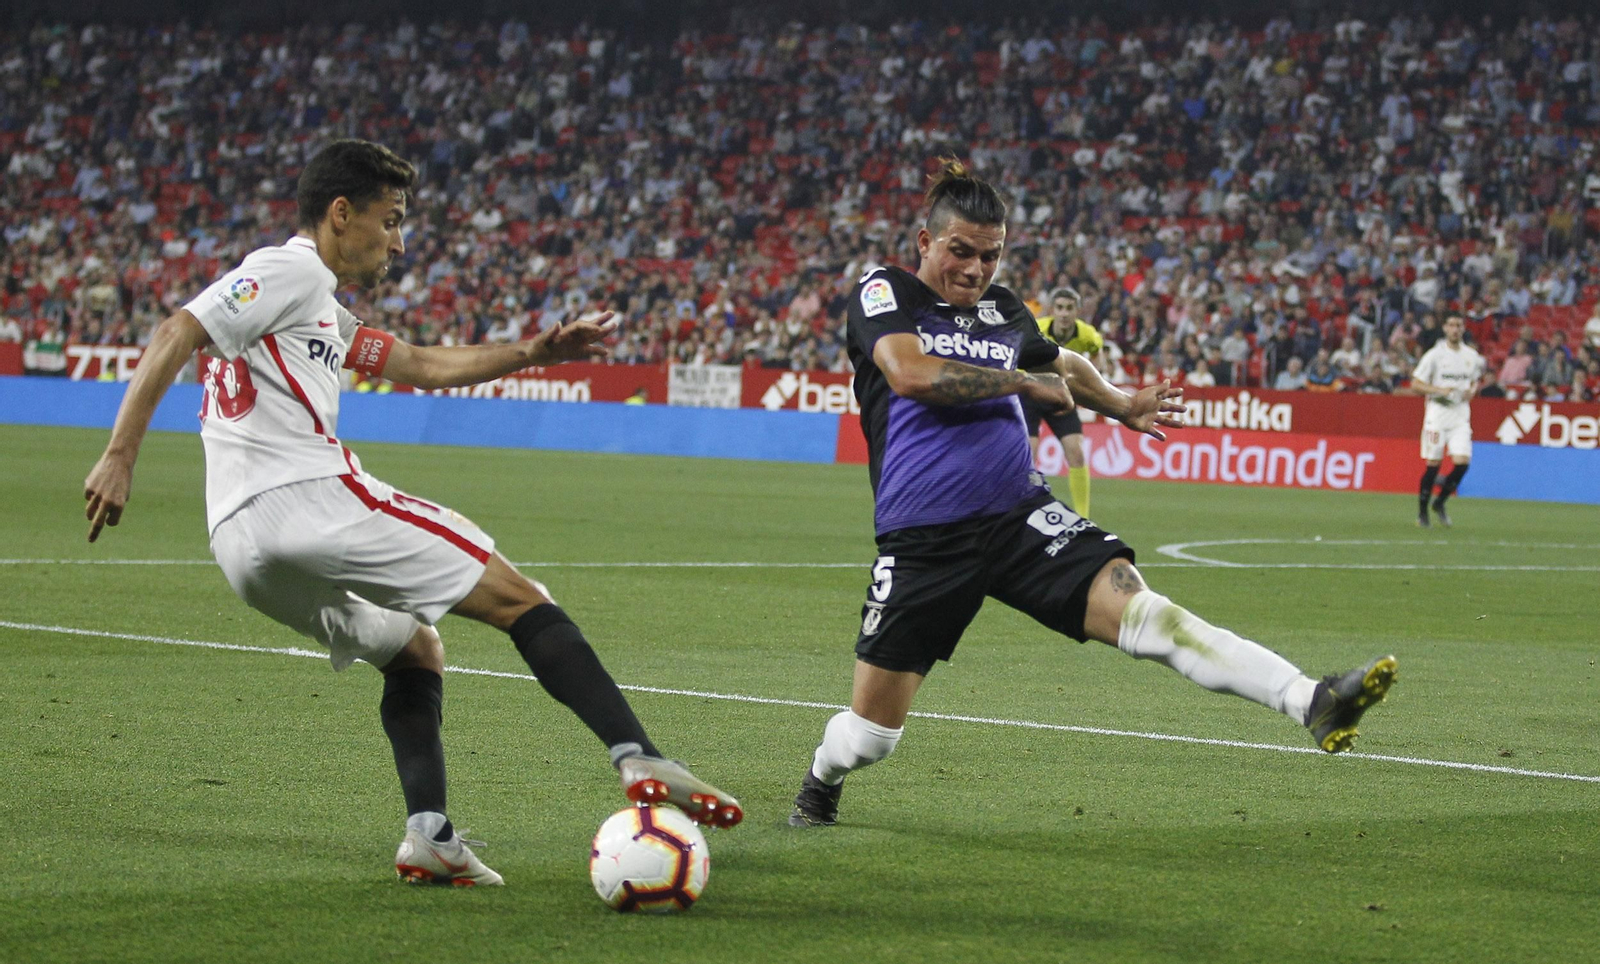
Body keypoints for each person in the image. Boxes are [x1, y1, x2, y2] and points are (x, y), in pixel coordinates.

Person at [81, 140, 742, 887]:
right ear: (340, 214)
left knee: (415, 649)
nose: (398, 241)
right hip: (308, 497)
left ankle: (429, 836)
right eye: (390, 220)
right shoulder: (293, 267)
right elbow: (175, 331)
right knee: (521, 599)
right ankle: (638, 754)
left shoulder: (316, 312)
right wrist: (120, 454)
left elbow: (421, 364)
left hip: (240, 544)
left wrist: (534, 351)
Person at [788, 160, 1397, 829]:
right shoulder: (886, 292)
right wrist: (1018, 385)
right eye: (960, 252)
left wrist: (1119, 403)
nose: (974, 270)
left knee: (1148, 614)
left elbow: (1064, 364)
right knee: (872, 738)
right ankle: (822, 780)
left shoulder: (1002, 308)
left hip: (1020, 517)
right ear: (924, 242)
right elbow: (910, 374)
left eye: (990, 256)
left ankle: (1312, 700)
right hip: (925, 539)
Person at [1022, 286, 1101, 516]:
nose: (1064, 313)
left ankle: (1083, 517)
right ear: (1052, 310)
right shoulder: (1038, 328)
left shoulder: (1087, 334)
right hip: (1031, 394)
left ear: (1077, 310)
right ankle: (1023, 511)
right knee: (1028, 455)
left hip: (1060, 397)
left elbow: (1097, 351)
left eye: (1069, 308)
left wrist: (1091, 384)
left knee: (1076, 452)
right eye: (1060, 308)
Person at [1409, 315, 1485, 528]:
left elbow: (1473, 382)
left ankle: (1440, 502)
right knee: (1433, 464)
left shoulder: (1472, 356)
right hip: (1437, 415)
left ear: (1463, 329)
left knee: (1462, 463)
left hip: (1460, 416)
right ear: (1444, 328)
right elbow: (1416, 384)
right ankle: (1422, 513)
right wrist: (1439, 390)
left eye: (1458, 326)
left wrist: (1471, 391)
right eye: (1451, 325)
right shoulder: (1434, 355)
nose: (1455, 329)